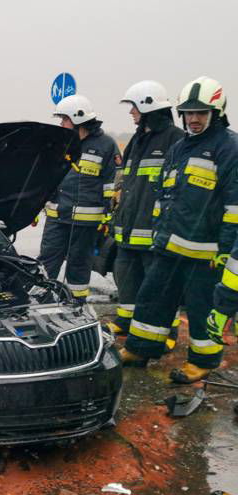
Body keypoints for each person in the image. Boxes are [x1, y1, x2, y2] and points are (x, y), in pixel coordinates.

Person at [121, 77, 238, 383]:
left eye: (201, 113)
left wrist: (225, 251)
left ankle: (203, 361)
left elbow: (234, 207)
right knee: (152, 299)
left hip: (205, 253)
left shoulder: (229, 148)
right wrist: (159, 233)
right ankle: (139, 349)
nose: (194, 119)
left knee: (202, 309)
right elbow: (164, 195)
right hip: (169, 245)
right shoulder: (179, 147)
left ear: (216, 113)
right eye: (188, 113)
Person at [107, 81, 184, 347]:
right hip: (128, 228)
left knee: (160, 285)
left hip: (153, 231)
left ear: (148, 107)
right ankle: (126, 320)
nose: (131, 112)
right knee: (126, 277)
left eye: (134, 107)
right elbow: (127, 181)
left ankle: (169, 331)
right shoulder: (138, 139)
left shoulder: (175, 139)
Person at [39, 95, 120, 301]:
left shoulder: (106, 145)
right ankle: (41, 301)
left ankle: (76, 306)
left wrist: (107, 216)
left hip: (86, 223)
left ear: (78, 119)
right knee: (46, 264)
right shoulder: (61, 142)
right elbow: (48, 177)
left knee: (79, 266)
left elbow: (111, 185)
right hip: (57, 218)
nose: (61, 124)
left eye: (64, 119)